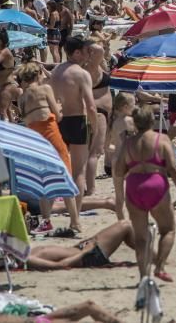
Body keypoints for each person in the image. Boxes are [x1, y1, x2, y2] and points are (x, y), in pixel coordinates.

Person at [112, 107, 176, 282]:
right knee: (167, 230)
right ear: (152, 121)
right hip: (156, 184)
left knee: (141, 238)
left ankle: (144, 277)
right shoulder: (162, 139)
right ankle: (159, 267)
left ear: (135, 123)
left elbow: (118, 170)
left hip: (135, 186)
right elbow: (174, 169)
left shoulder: (128, 143)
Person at [18, 63, 78, 232]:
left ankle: (46, 221)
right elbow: (57, 117)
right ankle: (74, 221)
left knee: (42, 180)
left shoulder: (22, 97)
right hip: (51, 135)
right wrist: (59, 107)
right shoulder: (45, 89)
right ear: (37, 75)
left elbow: (28, 119)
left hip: (35, 140)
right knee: (65, 175)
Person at [49, 36, 98, 229]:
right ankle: (75, 218)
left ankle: (62, 215)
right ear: (76, 52)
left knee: (62, 170)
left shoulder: (56, 71)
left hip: (60, 122)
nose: (89, 55)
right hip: (78, 120)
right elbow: (91, 106)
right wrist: (94, 126)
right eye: (86, 51)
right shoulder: (80, 73)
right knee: (79, 171)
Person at [24, 220, 135, 271]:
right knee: (125, 226)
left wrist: (79, 246)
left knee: (126, 227)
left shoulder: (25, 253)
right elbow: (61, 265)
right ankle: (150, 257)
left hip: (80, 249)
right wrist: (85, 251)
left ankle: (147, 256)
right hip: (89, 256)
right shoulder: (29, 259)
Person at [83, 39, 111, 198]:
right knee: (95, 152)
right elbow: (99, 50)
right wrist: (89, 45)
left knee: (91, 152)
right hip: (98, 111)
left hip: (99, 111)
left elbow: (102, 52)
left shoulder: (95, 66)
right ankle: (91, 188)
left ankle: (88, 186)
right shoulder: (89, 67)